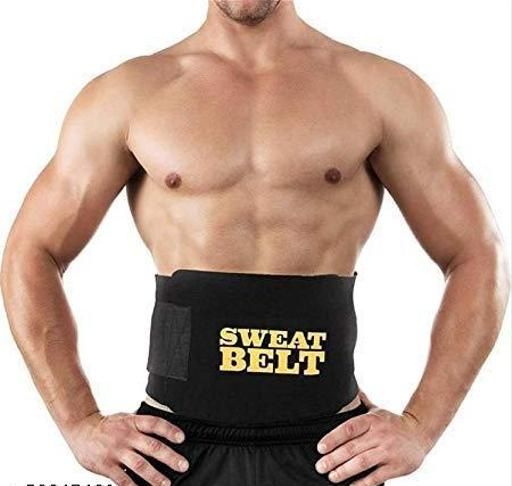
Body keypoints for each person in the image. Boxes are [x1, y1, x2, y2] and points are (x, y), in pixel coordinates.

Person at [1, 1, 509, 485]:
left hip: (331, 450)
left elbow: (477, 252)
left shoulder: (379, 91)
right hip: (172, 449)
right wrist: (79, 422)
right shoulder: (129, 95)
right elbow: (32, 250)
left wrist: (421, 427)